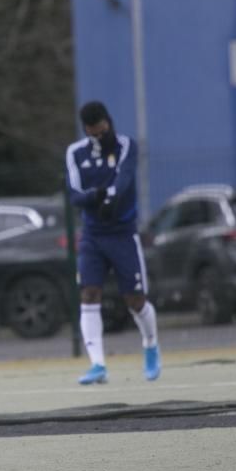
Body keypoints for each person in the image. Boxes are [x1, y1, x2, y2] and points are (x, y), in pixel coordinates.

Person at [65, 100, 161, 385]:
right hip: (93, 236)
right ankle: (98, 365)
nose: (99, 137)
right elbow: (74, 195)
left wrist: (109, 198)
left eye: (102, 130)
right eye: (92, 133)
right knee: (89, 293)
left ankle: (151, 344)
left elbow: (125, 180)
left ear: (108, 122)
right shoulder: (75, 153)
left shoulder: (125, 145)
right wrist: (98, 197)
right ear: (86, 130)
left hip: (122, 234)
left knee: (134, 299)